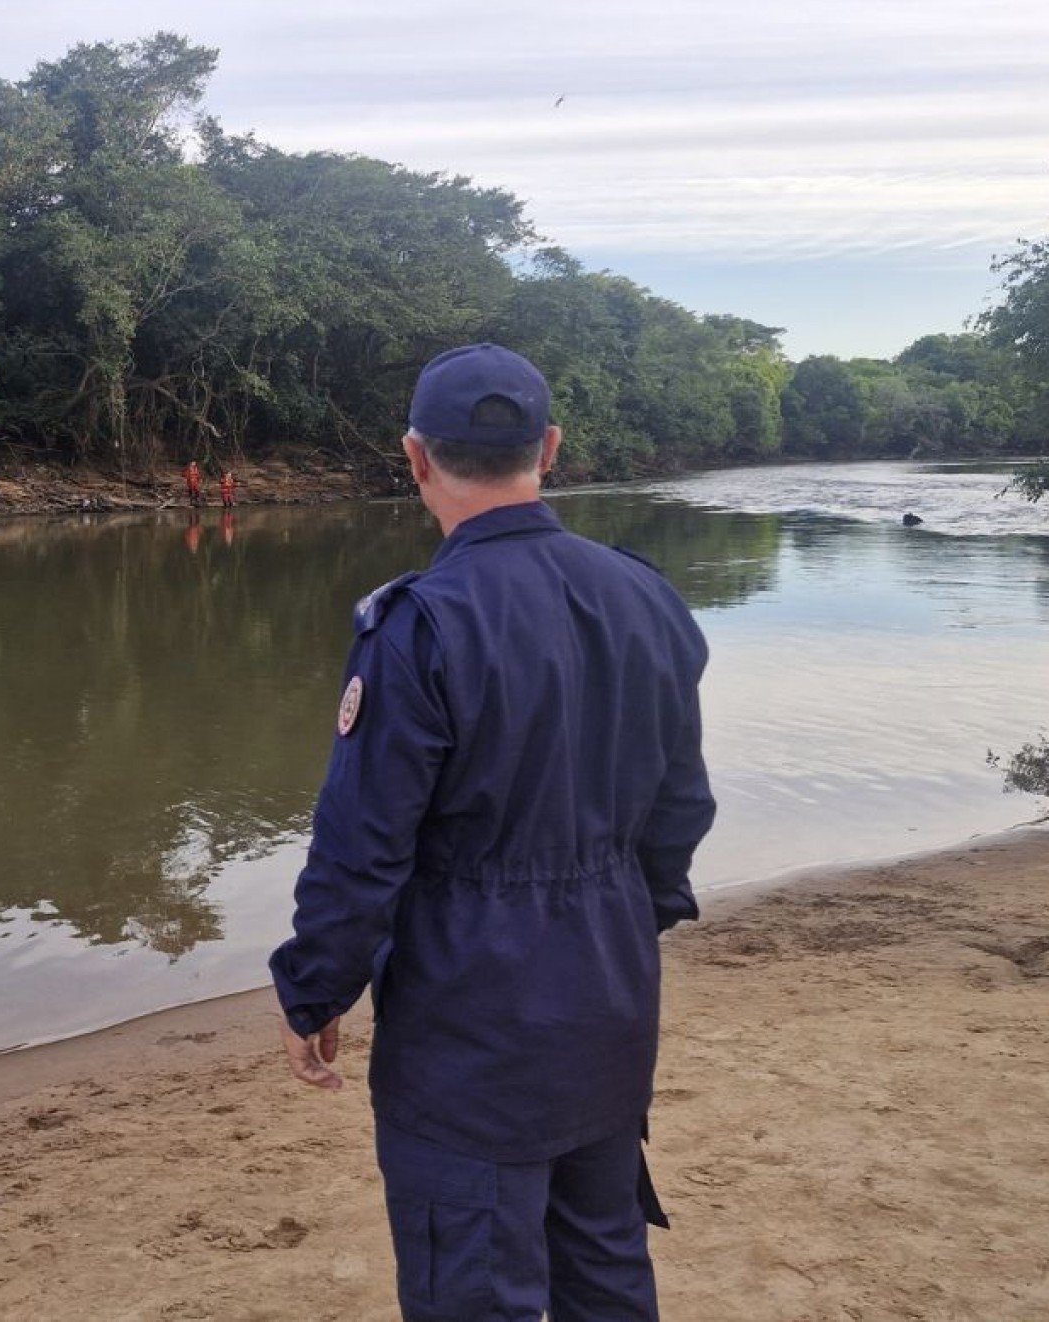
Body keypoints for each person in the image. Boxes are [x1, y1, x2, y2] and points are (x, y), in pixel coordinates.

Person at [268, 342, 716, 1322]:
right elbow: (681, 809)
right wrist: (625, 923)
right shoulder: (647, 597)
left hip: (469, 1030)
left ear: (416, 458)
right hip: (608, 1002)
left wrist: (315, 988)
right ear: (548, 448)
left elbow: (361, 851)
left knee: (472, 1286)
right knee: (605, 1272)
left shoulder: (420, 627)